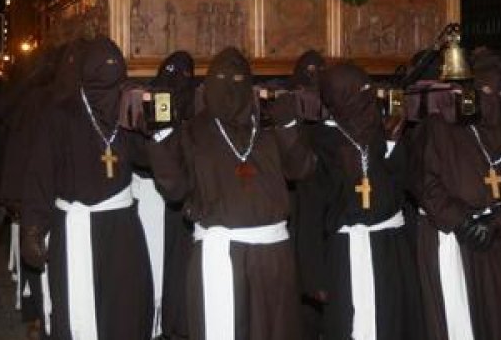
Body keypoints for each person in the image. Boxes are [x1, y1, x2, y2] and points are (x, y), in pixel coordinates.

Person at [149, 47, 315, 340]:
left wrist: (289, 126)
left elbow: (300, 170)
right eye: (222, 79)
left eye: (238, 80)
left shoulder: (266, 128)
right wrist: (160, 138)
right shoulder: (193, 132)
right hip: (219, 254)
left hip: (272, 257)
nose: (230, 88)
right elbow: (175, 190)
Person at [19, 36, 154, 339]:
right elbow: (40, 177)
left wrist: (151, 126)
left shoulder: (127, 111)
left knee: (125, 309)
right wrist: (32, 231)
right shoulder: (60, 115)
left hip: (121, 231)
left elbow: (150, 162)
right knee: (75, 310)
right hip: (73, 230)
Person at [296, 62, 421, 339]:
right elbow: (311, 212)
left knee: (393, 321)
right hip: (344, 252)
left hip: (390, 247)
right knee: (350, 325)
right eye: (358, 94)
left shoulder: (384, 130)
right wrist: (314, 275)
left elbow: (403, 187)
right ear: (339, 99)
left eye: (369, 92)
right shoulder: (320, 141)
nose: (367, 103)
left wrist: (391, 146)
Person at [416, 61, 501, 340]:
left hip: (492, 237)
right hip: (452, 236)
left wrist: (497, 223)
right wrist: (462, 222)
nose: (496, 100)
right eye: (488, 91)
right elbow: (426, 183)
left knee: (494, 318)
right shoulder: (440, 126)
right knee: (457, 320)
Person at [0, 42, 66, 340]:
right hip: (36, 187)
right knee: (39, 253)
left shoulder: (30, 94)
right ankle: (39, 314)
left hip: (26, 185)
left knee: (37, 253)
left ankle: (37, 313)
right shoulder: (45, 99)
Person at [147, 50, 197, 340]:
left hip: (191, 192)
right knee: (164, 260)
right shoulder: (157, 100)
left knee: (182, 264)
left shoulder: (197, 102)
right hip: (162, 192)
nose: (178, 80)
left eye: (185, 74)